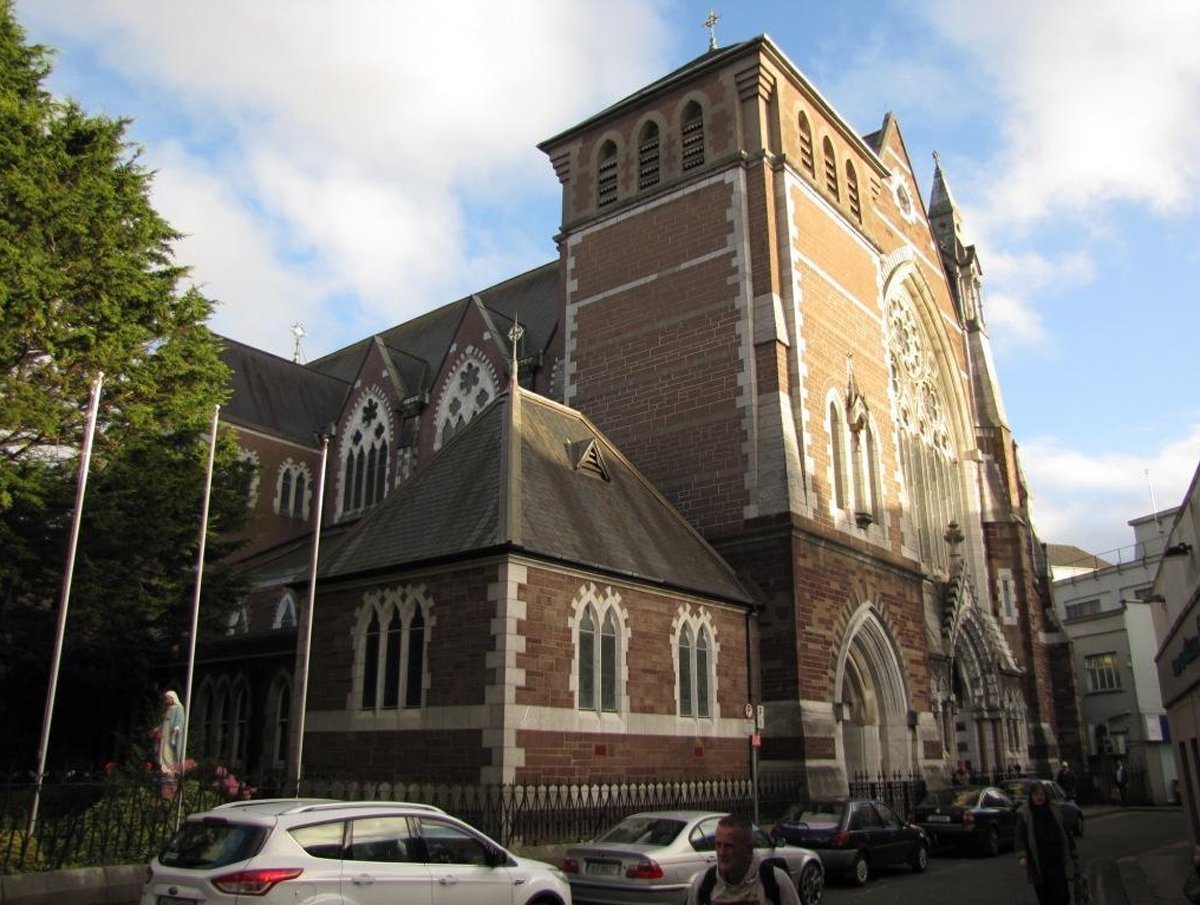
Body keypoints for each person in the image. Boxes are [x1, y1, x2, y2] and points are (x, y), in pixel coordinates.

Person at [686, 813, 801, 905]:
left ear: (749, 848)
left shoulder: (775, 881)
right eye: (718, 845)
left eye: (729, 846)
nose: (721, 852)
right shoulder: (703, 885)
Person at [1016, 780, 1077, 905]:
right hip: (1039, 861)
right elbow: (1020, 836)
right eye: (1036, 795)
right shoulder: (1025, 813)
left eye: (1042, 794)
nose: (1039, 798)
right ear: (1031, 796)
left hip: (1057, 859)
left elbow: (1065, 832)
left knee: (1063, 896)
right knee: (1045, 897)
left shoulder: (1054, 810)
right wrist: (1022, 855)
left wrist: (1073, 852)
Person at [154, 690, 185, 797]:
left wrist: (177, 727)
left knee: (169, 754)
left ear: (172, 698)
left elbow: (180, 721)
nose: (166, 700)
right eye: (165, 699)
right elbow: (164, 723)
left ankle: (170, 772)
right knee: (162, 754)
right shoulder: (168, 710)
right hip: (164, 736)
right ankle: (165, 772)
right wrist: (157, 729)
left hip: (171, 736)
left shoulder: (178, 708)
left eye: (167, 698)